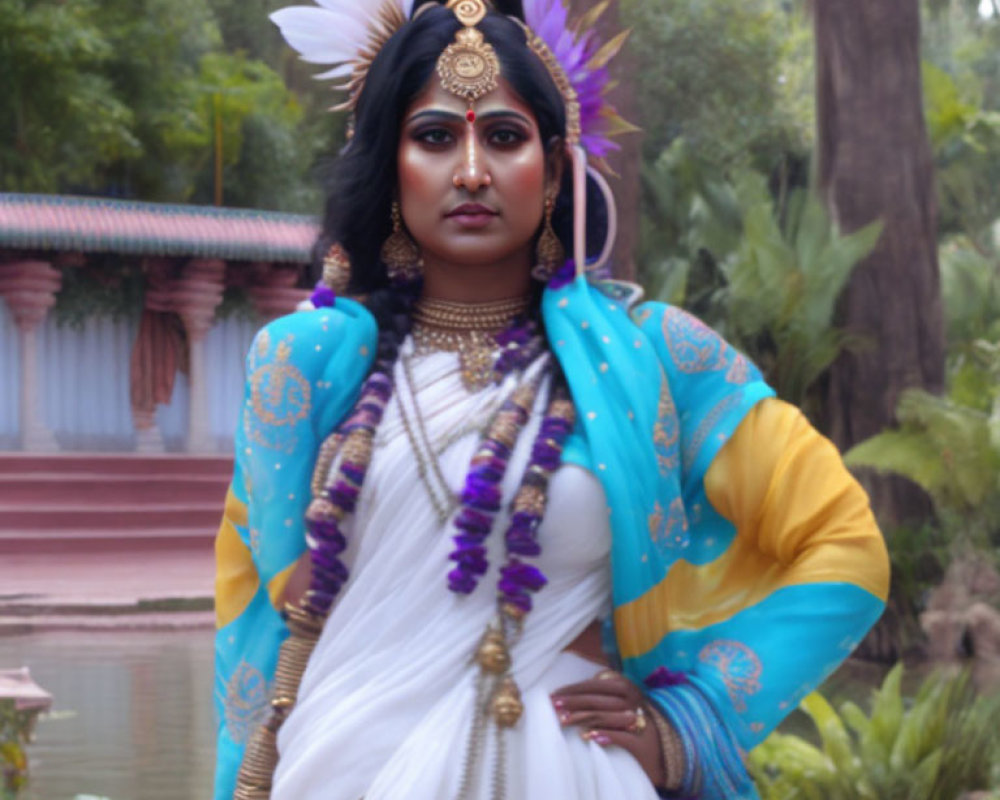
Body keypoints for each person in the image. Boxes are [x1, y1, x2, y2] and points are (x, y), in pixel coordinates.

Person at [213, 1, 890, 798]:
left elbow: (845, 543)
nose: (471, 171)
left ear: (557, 168)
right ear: (388, 166)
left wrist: (690, 722)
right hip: (344, 765)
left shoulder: (654, 357)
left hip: (566, 767)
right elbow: (281, 595)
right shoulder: (308, 366)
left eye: (504, 136)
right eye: (434, 137)